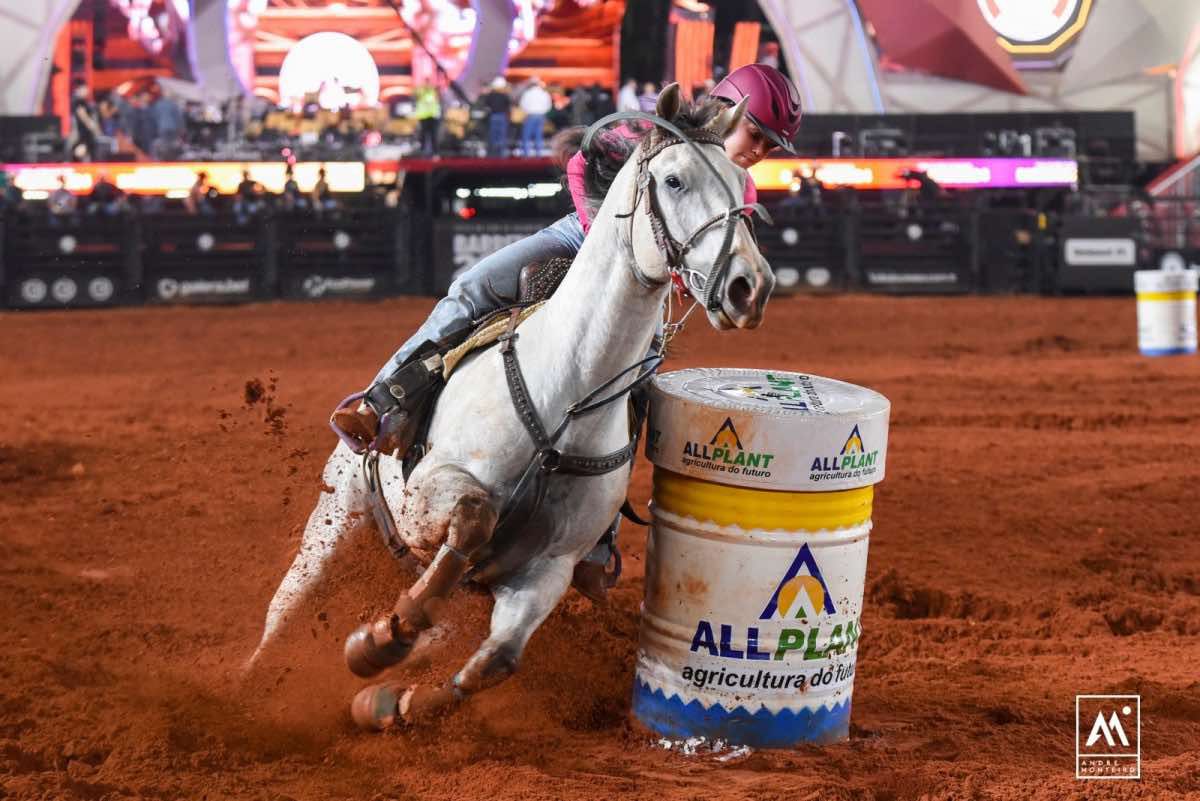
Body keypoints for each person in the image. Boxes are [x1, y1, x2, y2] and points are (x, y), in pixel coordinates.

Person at [331, 63, 803, 601]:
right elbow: (581, 163)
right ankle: (382, 401)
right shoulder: (643, 131)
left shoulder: (737, 185)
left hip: (642, 281)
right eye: (757, 134)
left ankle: (597, 533)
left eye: (771, 145)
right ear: (727, 109)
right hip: (580, 238)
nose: (760, 150)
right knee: (473, 288)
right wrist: (608, 237)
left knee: (636, 379)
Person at [518, 77, 552, 157]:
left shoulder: (527, 93)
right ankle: (538, 153)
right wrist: (542, 111)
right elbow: (548, 106)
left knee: (526, 135)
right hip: (540, 115)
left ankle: (526, 154)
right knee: (538, 135)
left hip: (530, 115)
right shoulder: (544, 93)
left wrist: (527, 111)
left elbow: (522, 105)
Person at [480, 77, 512, 157]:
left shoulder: (490, 95)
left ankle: (493, 154)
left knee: (493, 135)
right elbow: (508, 105)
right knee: (501, 135)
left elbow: (486, 105)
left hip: (494, 116)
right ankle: (501, 154)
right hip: (501, 116)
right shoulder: (505, 96)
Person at [414, 81, 442, 156]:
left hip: (432, 117)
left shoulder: (433, 92)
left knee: (433, 135)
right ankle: (423, 151)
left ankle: (435, 152)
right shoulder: (421, 92)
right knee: (423, 135)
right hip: (424, 117)